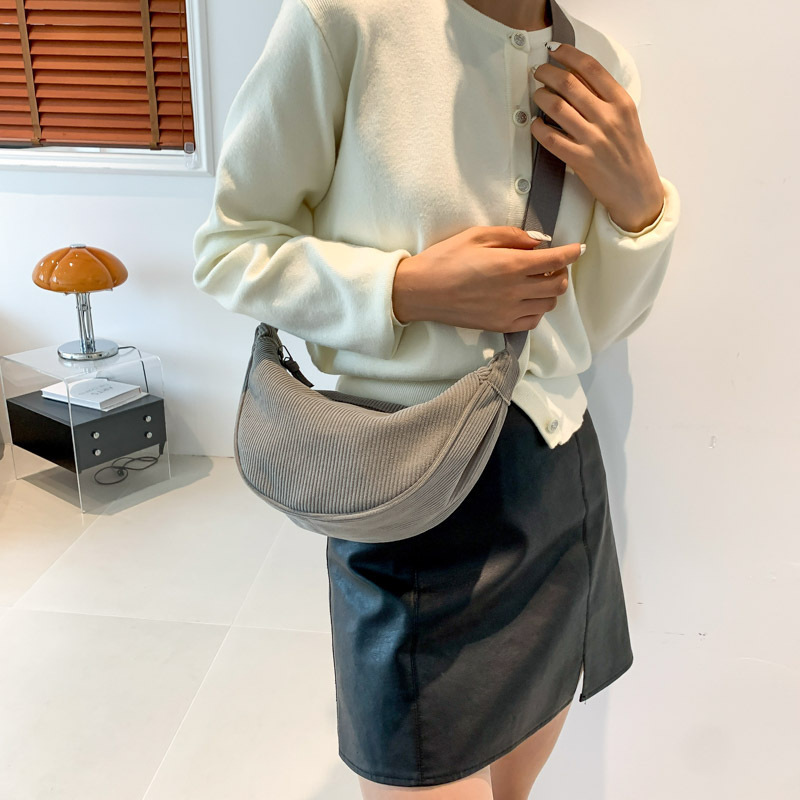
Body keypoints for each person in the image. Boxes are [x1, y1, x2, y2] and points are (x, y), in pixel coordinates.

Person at [192, 0, 680, 797]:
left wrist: (641, 209)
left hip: (554, 481)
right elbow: (229, 248)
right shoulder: (345, 20)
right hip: (403, 491)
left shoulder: (597, 63)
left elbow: (595, 322)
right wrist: (407, 288)